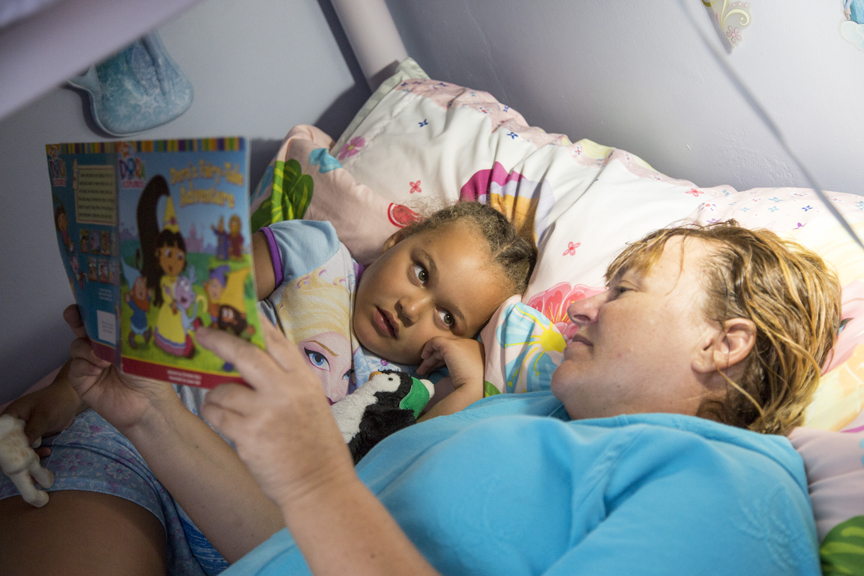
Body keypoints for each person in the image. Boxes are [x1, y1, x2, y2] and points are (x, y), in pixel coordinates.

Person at [18, 218, 837, 576]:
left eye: (626, 289)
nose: (581, 304)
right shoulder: (521, 413)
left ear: (723, 344)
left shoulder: (728, 485)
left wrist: (314, 476)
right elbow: (291, 554)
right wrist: (144, 412)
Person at [0, 201, 536, 575]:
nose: (411, 308)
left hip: (246, 542)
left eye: (448, 316)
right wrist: (63, 397)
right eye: (420, 273)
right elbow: (182, 307)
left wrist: (467, 384)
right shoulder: (315, 253)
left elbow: (411, 478)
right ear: (396, 241)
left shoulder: (411, 389)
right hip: (134, 453)